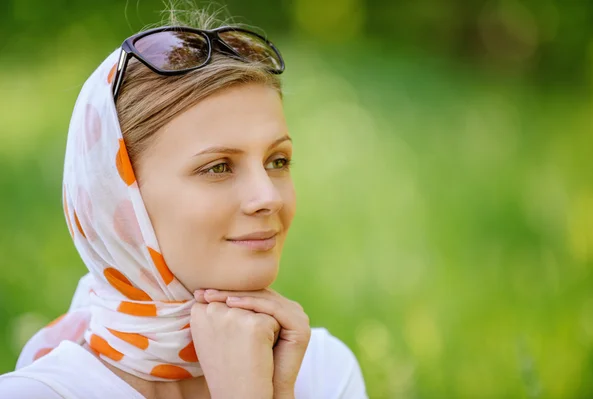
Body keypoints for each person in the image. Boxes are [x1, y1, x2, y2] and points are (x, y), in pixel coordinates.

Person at [0, 8, 367, 399]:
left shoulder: (323, 368)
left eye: (277, 161)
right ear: (121, 204)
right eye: (218, 167)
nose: (268, 197)